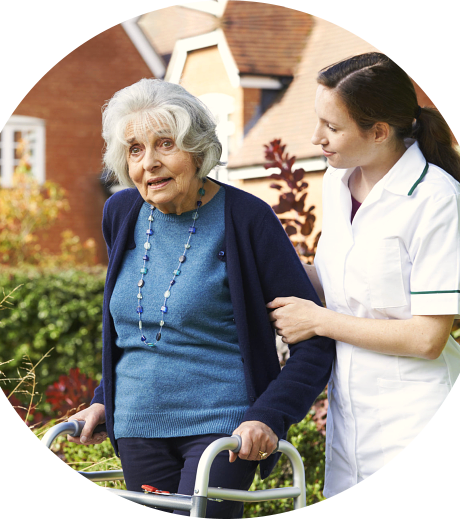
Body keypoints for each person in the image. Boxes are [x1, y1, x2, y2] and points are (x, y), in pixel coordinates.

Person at [67, 78, 334, 517]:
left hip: (223, 432)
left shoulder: (247, 219)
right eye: (135, 150)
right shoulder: (120, 213)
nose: (149, 163)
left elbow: (315, 343)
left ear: (196, 149)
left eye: (165, 144)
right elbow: (137, 327)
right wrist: (103, 397)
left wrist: (269, 416)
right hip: (137, 425)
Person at [268, 52, 460, 498]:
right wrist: (257, 268)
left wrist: (319, 321)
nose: (316, 137)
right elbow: (337, 285)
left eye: (332, 127)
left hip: (416, 413)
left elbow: (428, 338)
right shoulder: (336, 181)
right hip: (350, 420)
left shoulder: (438, 202)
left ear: (379, 132)